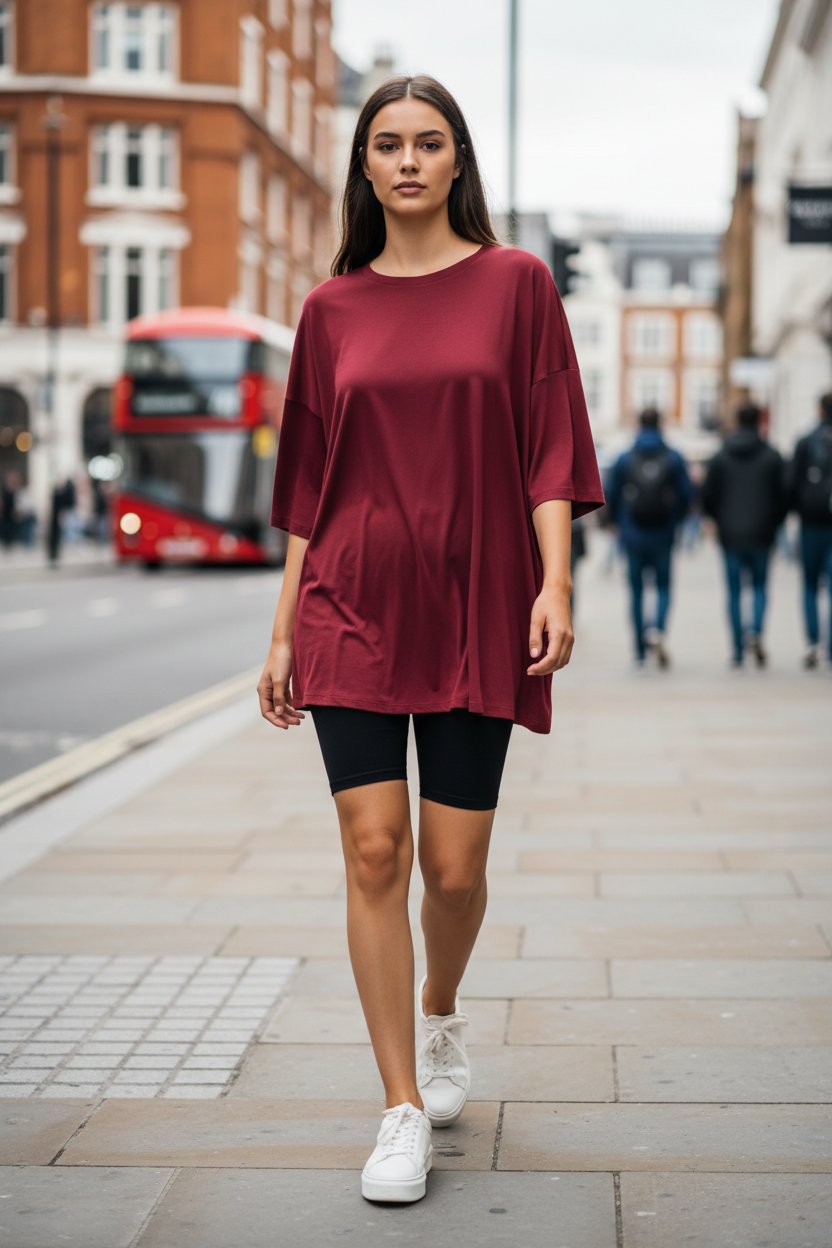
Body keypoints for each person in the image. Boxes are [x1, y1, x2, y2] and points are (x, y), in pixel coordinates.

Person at [257, 75, 604, 1204]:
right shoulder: (329, 310)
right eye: (387, 143)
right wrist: (282, 631)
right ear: (363, 164)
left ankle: (441, 1008)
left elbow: (549, 446)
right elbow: (306, 488)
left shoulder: (517, 285)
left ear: (459, 162)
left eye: (429, 142)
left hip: (476, 600)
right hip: (351, 599)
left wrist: (554, 583)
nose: (408, 161)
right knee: (375, 852)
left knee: (454, 872)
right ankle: (400, 1105)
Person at [702, 403, 786, 668]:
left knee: (734, 592)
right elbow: (783, 496)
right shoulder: (772, 456)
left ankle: (738, 649)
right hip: (762, 532)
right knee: (760, 587)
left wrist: (718, 520)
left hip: (731, 534)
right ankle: (755, 632)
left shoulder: (721, 456)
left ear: (737, 421)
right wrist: (774, 523)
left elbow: (708, 495)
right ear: (759, 421)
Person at [607, 408, 691, 667]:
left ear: (638, 424)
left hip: (632, 533)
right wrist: (676, 520)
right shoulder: (674, 457)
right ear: (660, 424)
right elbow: (687, 494)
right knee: (663, 587)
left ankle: (639, 652)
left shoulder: (625, 457)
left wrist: (615, 523)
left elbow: (611, 493)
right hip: (663, 533)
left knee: (636, 592)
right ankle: (657, 629)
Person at [788, 392, 832, 668]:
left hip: (812, 524)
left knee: (810, 586)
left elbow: (791, 483)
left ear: (819, 411)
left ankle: (813, 642)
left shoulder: (806, 441)